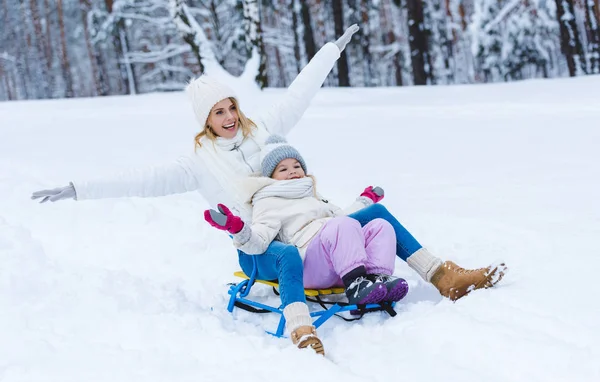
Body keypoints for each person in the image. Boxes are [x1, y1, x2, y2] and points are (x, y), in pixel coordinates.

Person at [31, 22, 505, 355]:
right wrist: (77, 188)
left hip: (305, 226)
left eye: (231, 106)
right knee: (288, 254)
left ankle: (444, 276)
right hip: (256, 243)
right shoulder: (195, 163)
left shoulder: (263, 132)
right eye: (218, 112)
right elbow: (138, 181)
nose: (230, 117)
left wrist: (330, 53)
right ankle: (305, 324)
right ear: (205, 120)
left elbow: (300, 93)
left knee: (378, 218)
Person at [204, 135, 411, 355]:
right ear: (271, 177)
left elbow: (344, 217)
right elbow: (259, 240)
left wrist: (365, 200)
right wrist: (237, 227)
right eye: (282, 169)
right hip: (310, 263)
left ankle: (376, 281)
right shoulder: (268, 200)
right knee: (341, 226)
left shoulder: (313, 195)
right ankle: (357, 285)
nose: (292, 171)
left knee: (379, 225)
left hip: (341, 259)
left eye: (296, 165)